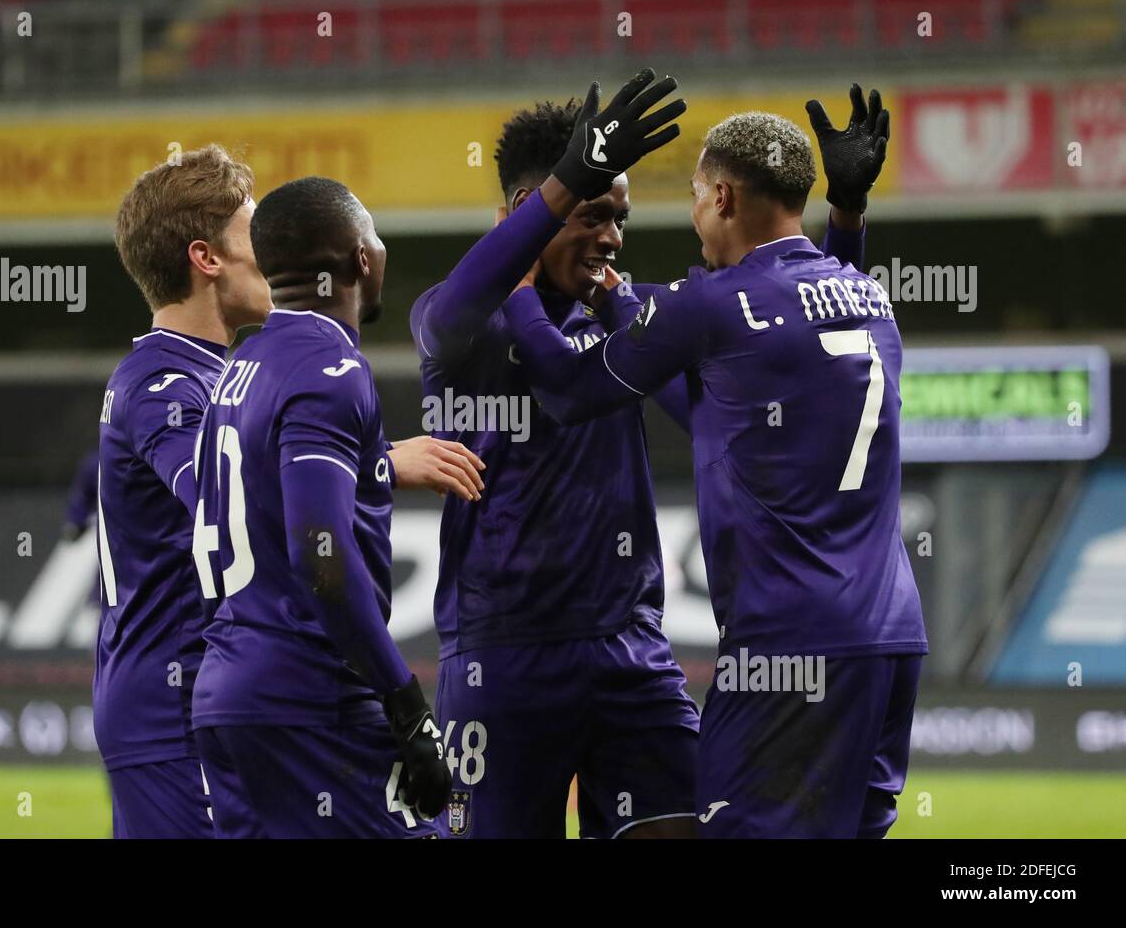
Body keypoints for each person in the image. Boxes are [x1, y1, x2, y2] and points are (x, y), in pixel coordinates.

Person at [501, 91, 926, 838]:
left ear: (722, 196)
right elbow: (783, 327)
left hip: (788, 644)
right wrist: (850, 213)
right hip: (891, 637)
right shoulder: (866, 294)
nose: (694, 214)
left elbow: (571, 390)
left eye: (696, 196)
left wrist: (520, 298)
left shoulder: (712, 304)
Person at [101, 148, 481, 839]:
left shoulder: (230, 373)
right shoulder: (165, 385)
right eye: (253, 235)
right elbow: (229, 493)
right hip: (176, 692)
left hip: (213, 682)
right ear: (206, 258)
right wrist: (381, 461)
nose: (271, 257)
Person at [191, 177, 461, 838]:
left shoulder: (237, 369)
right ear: (360, 259)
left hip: (228, 692)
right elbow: (321, 557)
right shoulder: (328, 370)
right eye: (373, 234)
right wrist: (405, 702)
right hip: (310, 699)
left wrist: (377, 466)